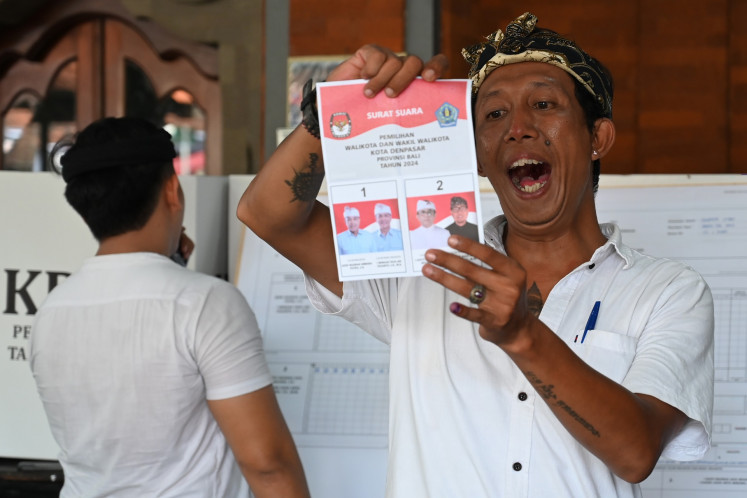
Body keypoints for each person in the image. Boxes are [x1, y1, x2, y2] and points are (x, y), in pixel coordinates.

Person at [237, 12, 713, 498]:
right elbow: (267, 215)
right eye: (494, 114)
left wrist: (523, 335)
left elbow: (636, 454)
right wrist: (331, 111)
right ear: (479, 156)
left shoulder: (669, 290)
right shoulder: (421, 266)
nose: (518, 128)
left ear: (598, 138)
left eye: (544, 103)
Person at [30, 117, 310, 498]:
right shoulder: (206, 304)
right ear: (172, 190)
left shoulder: (51, 312)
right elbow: (268, 464)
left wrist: (173, 270)